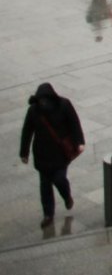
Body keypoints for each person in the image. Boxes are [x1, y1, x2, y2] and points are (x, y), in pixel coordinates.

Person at [20, 83, 85, 228]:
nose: (43, 103)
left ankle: (66, 196)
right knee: (45, 186)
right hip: (42, 155)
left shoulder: (64, 105)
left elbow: (75, 124)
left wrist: (79, 142)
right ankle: (48, 214)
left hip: (60, 154)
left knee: (59, 178)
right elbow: (27, 131)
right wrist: (24, 153)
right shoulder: (33, 111)